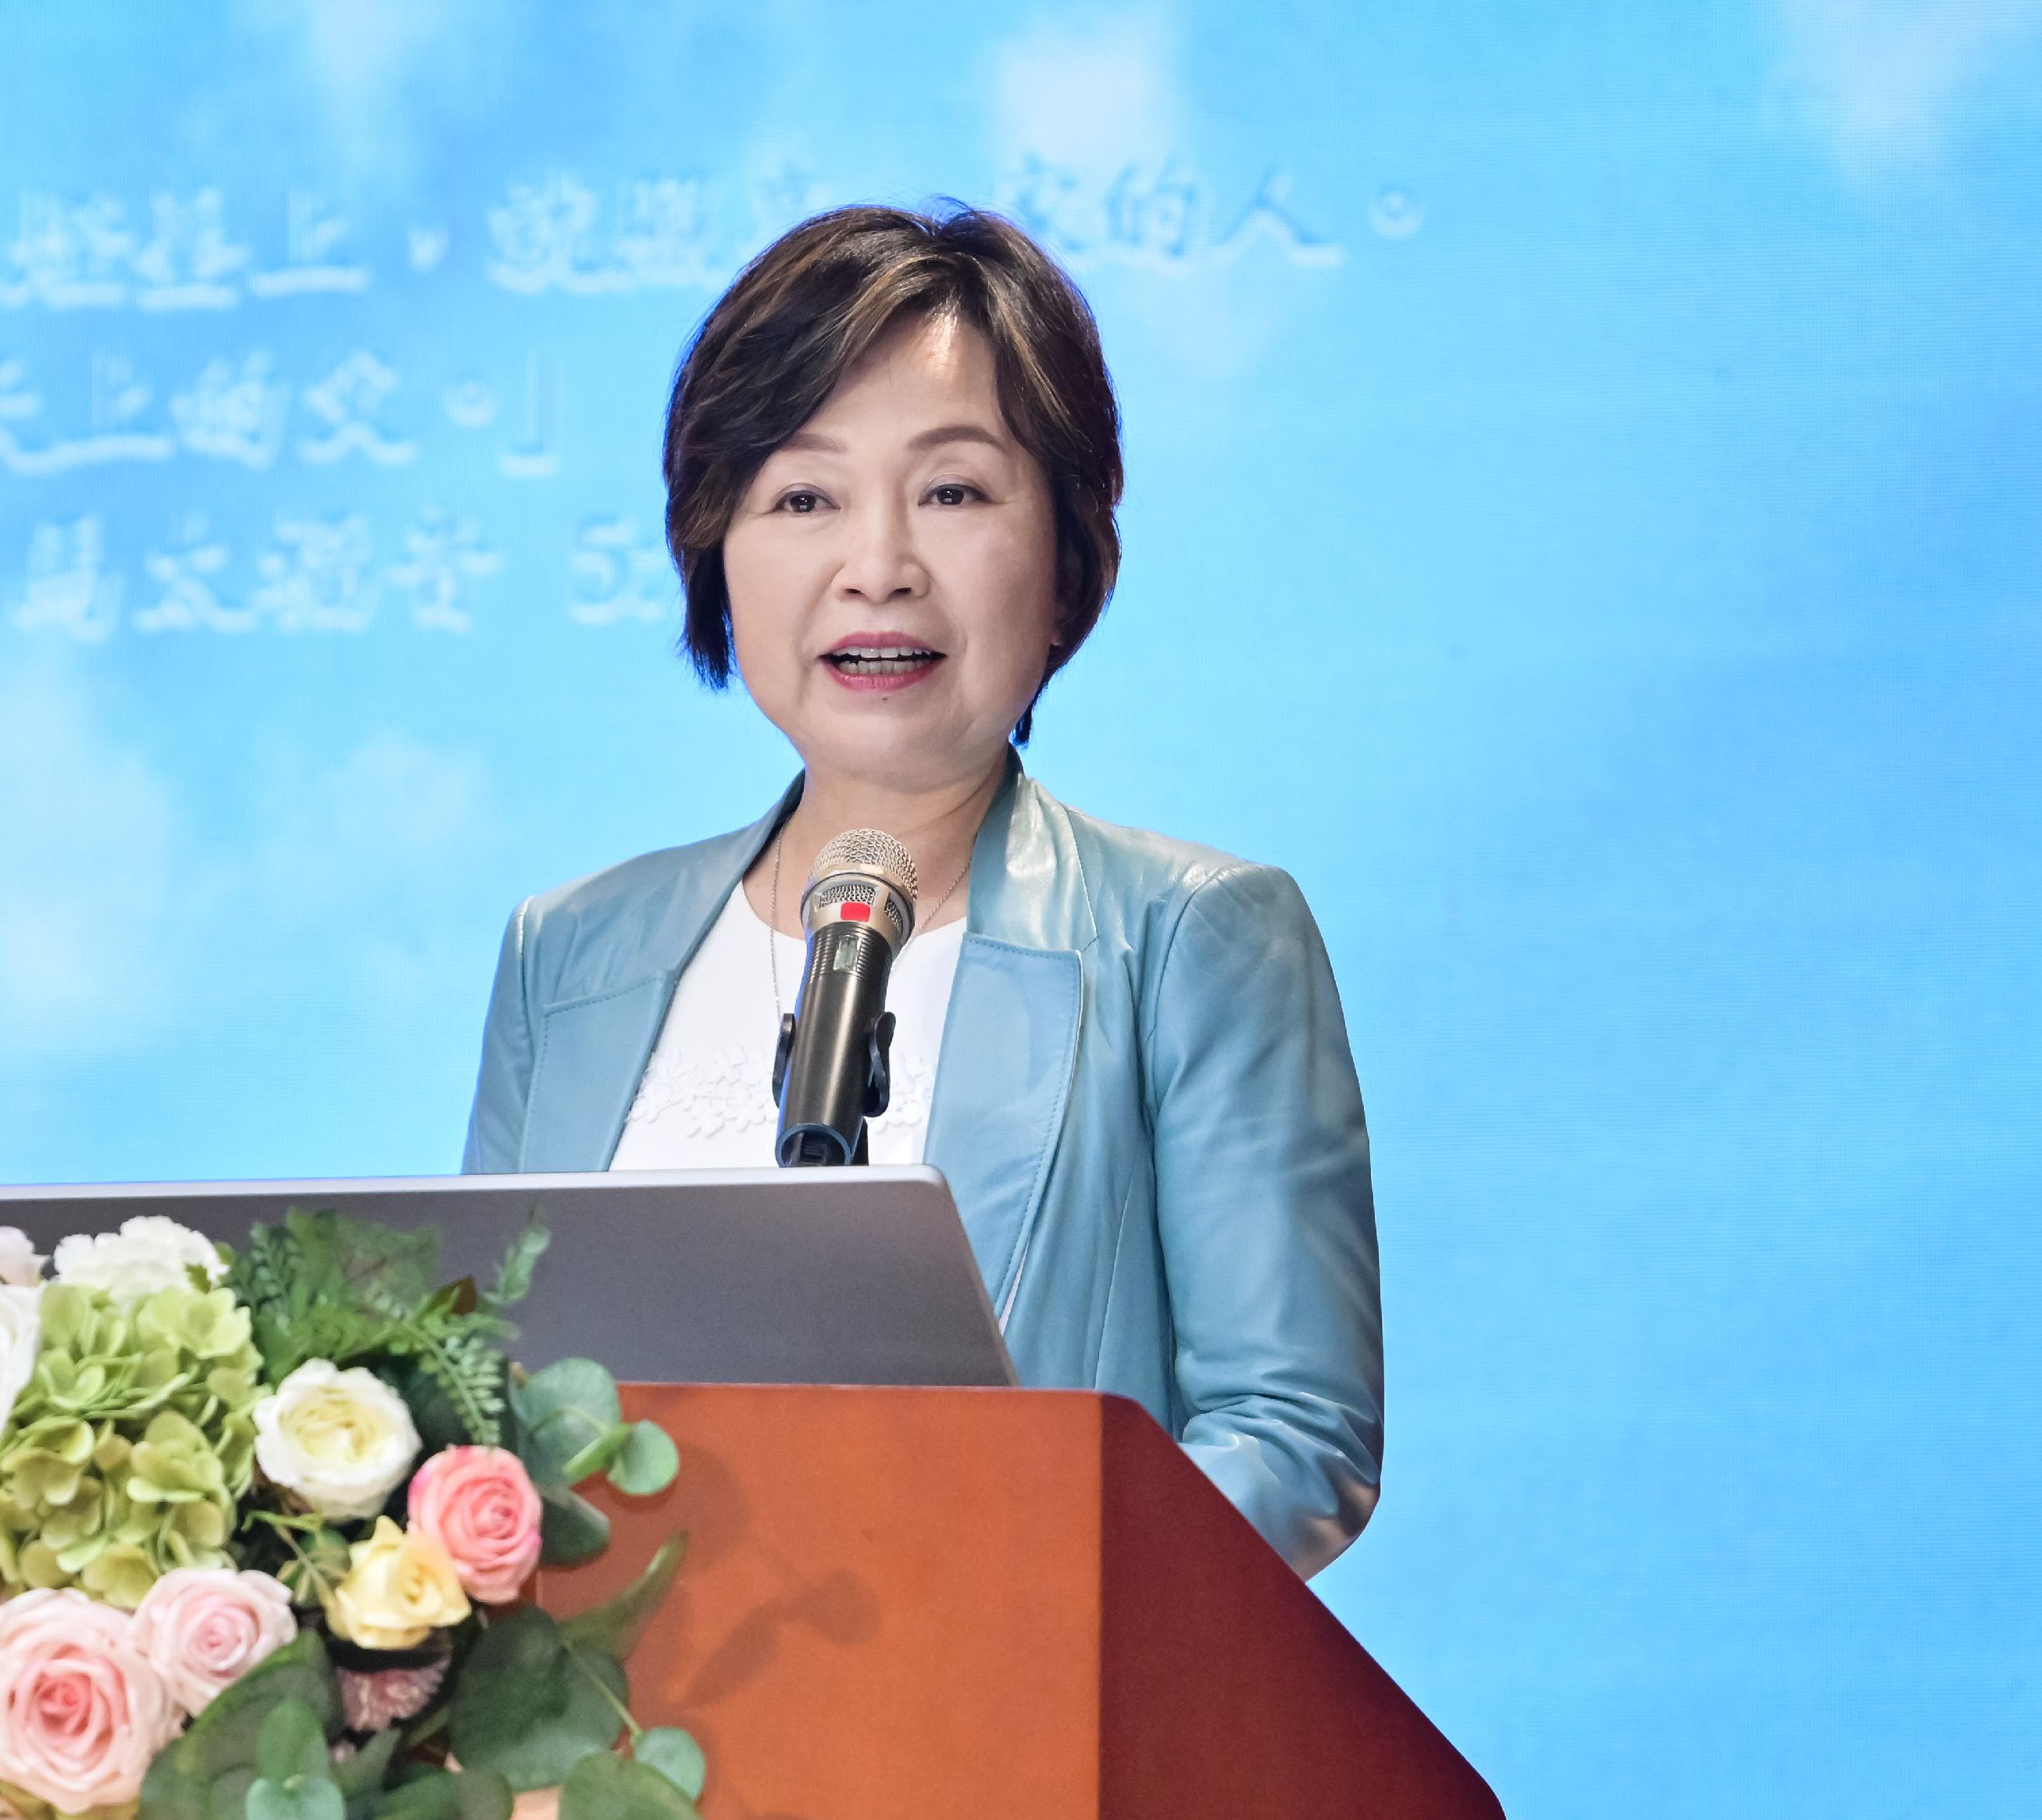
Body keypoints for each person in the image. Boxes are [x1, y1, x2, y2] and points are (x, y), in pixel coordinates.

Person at [459, 204, 1381, 1576]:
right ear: (716, 547)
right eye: (803, 497)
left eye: (952, 492)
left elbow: (1290, 1434)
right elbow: (481, 1403)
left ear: (1066, 560)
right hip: (611, 1764)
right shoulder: (569, 954)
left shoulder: (1192, 937)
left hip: (1006, 1731)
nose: (876, 566)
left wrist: (985, 1600)